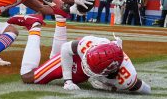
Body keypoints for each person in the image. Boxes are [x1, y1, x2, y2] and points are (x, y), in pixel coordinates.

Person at [8, 15, 151, 94]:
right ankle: (34, 27)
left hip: (96, 65)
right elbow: (66, 49)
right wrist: (67, 81)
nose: (86, 67)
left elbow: (145, 89)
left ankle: (60, 18)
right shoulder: (90, 44)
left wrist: (111, 86)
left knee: (57, 64)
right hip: (76, 56)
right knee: (28, 77)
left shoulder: (126, 77)